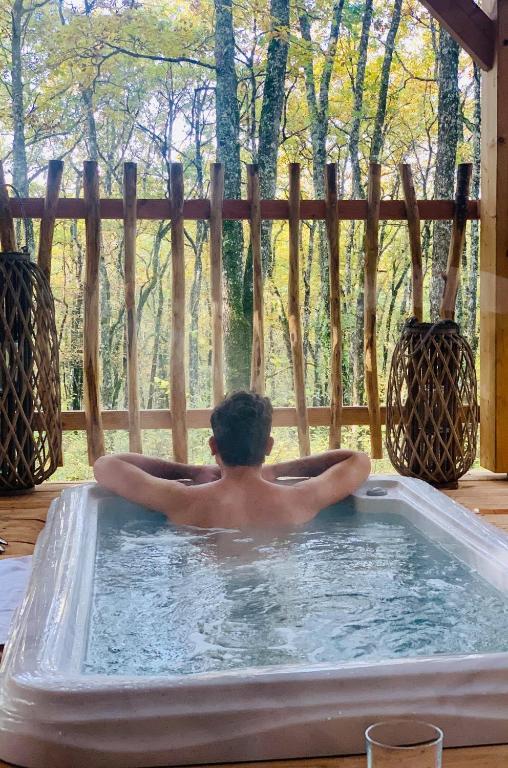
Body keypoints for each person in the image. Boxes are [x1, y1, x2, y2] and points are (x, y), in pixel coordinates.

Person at [93, 390, 370, 529]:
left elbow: (105, 466)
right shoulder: (299, 499)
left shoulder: (182, 500)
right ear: (269, 446)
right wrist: (275, 470)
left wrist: (191, 471)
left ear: (214, 445)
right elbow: (358, 460)